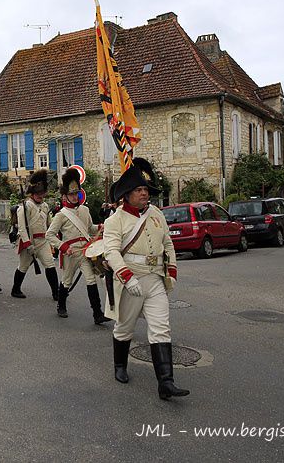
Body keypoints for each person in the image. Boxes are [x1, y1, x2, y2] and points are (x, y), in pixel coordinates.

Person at [103, 158, 189, 400]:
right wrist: (128, 278)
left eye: (146, 190)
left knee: (161, 328)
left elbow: (167, 242)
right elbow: (111, 252)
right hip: (131, 281)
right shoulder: (115, 220)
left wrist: (171, 268)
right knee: (124, 328)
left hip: (154, 280)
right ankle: (120, 366)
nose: (144, 194)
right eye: (139, 190)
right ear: (127, 194)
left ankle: (166, 382)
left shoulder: (156, 213)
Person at [46, 166, 112, 324]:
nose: (75, 197)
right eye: (71, 194)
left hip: (86, 252)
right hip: (70, 253)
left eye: (76, 193)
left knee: (91, 280)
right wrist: (63, 247)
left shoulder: (85, 210)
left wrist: (101, 227)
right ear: (65, 196)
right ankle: (61, 306)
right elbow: (49, 234)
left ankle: (97, 314)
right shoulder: (61, 215)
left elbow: (90, 229)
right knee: (67, 281)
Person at [11, 169, 60, 300]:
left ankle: (56, 292)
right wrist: (28, 244)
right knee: (23, 266)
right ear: (32, 193)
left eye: (42, 193)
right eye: (37, 193)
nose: (40, 195)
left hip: (43, 241)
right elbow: (22, 228)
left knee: (50, 264)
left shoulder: (44, 206)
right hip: (29, 242)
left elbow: (50, 224)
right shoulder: (25, 207)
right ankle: (15, 289)